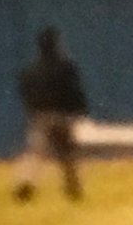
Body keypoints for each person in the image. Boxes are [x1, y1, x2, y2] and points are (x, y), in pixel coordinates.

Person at [13, 26, 88, 204]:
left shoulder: (31, 70)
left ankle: (26, 181)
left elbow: (25, 92)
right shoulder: (67, 67)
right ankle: (72, 186)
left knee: (35, 152)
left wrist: (33, 111)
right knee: (68, 154)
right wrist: (79, 111)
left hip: (41, 117)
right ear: (56, 44)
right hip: (63, 117)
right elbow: (75, 92)